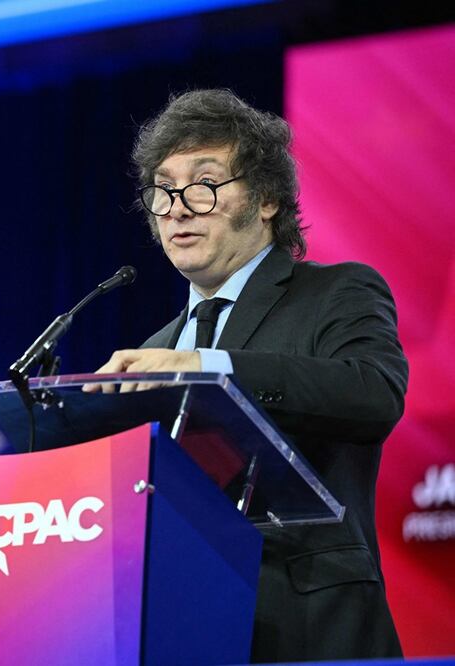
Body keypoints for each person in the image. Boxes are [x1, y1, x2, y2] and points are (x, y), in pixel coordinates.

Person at [85, 89, 408, 662]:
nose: (178, 206)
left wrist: (209, 369)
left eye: (204, 184)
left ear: (265, 200)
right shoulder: (156, 349)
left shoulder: (337, 292)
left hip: (306, 628)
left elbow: (372, 392)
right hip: (175, 628)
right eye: (163, 189)